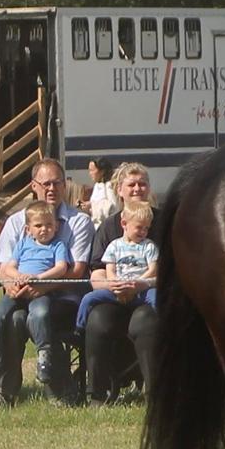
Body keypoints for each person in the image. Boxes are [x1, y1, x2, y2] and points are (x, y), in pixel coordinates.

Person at [0, 158, 93, 405]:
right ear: (34, 186)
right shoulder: (15, 222)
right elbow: (3, 268)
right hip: (23, 292)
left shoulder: (79, 222)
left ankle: (59, 392)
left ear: (65, 185)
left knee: (32, 318)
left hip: (65, 295)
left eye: (56, 183)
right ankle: (5, 392)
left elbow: (76, 272)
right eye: (45, 184)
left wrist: (41, 287)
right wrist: (10, 284)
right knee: (15, 317)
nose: (51, 189)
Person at [83, 161, 159, 403]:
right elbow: (96, 272)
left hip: (148, 294)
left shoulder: (164, 222)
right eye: (131, 184)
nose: (137, 188)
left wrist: (142, 284)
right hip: (114, 294)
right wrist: (112, 285)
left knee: (144, 322)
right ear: (120, 190)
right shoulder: (108, 227)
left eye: (142, 183)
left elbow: (173, 269)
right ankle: (98, 393)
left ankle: (154, 393)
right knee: (97, 321)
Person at [0, 201, 70, 391]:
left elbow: (61, 268)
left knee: (40, 315)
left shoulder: (58, 245)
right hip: (18, 290)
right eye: (38, 226)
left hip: (40, 291)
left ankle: (44, 357)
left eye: (49, 225)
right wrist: (17, 277)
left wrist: (39, 278)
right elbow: (9, 267)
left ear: (56, 226)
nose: (44, 229)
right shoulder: (22, 244)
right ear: (28, 229)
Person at [75, 200, 156, 332]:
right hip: (118, 290)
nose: (143, 232)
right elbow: (110, 269)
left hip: (140, 290)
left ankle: (166, 326)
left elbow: (153, 270)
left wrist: (139, 282)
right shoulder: (114, 246)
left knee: (156, 296)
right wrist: (114, 283)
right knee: (88, 298)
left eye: (146, 228)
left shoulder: (149, 246)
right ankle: (79, 328)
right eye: (139, 227)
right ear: (124, 224)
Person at [81, 157, 116, 226]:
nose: (90, 173)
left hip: (107, 226)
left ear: (102, 171)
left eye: (92, 170)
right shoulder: (97, 186)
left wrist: (92, 206)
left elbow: (113, 207)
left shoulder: (109, 187)